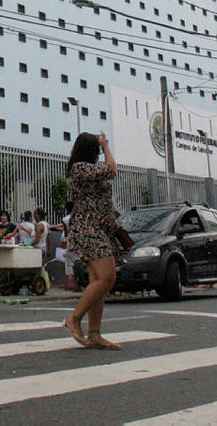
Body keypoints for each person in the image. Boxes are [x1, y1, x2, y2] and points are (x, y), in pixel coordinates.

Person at [63, 131, 123, 350]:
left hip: (99, 228)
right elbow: (112, 169)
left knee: (98, 281)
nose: (100, 153)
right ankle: (74, 319)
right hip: (88, 229)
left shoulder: (89, 170)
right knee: (107, 277)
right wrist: (106, 145)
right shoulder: (80, 168)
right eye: (97, 150)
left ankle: (95, 334)